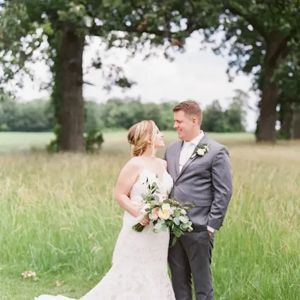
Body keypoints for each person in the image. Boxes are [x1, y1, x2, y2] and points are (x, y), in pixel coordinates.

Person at [35, 120, 175, 300]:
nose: (161, 134)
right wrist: (141, 213)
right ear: (148, 138)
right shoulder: (134, 164)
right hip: (138, 226)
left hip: (159, 232)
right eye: (157, 132)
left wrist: (164, 211)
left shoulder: (162, 164)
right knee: (132, 270)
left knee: (155, 269)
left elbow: (164, 195)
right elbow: (120, 194)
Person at [165, 100, 232, 300]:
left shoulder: (216, 151)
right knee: (179, 282)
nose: (175, 126)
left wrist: (211, 225)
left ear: (194, 120)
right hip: (172, 229)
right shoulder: (172, 149)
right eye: (174, 121)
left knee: (203, 285)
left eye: (179, 122)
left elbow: (224, 191)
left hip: (200, 229)